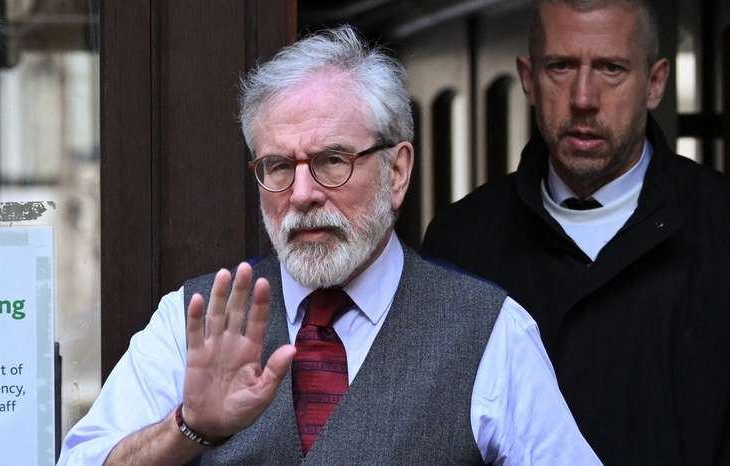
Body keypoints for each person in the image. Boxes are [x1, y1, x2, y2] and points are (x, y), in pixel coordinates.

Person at [59, 26, 600, 465]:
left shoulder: (491, 333)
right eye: (277, 166)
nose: (302, 194)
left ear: (398, 171)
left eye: (332, 161)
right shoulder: (191, 322)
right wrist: (188, 428)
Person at [422, 1, 730, 465]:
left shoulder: (722, 226)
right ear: (528, 78)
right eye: (561, 66)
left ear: (656, 83)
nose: (583, 97)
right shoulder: (461, 241)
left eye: (611, 68)